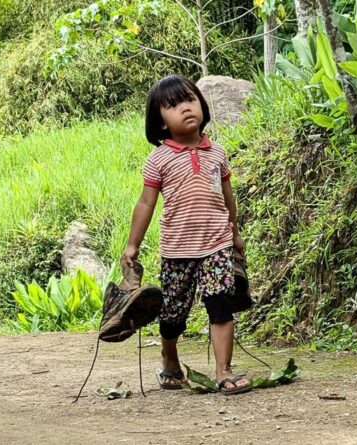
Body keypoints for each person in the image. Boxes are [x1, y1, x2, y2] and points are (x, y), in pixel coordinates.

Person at [121, 74, 251, 395]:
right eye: (174, 105)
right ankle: (170, 359)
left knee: (220, 304)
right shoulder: (158, 159)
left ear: (202, 105)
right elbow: (146, 204)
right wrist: (132, 245)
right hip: (178, 250)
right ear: (161, 122)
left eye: (190, 100)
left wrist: (234, 234)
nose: (186, 108)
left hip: (217, 245)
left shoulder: (217, 153)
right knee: (173, 313)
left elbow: (227, 196)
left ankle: (223, 371)